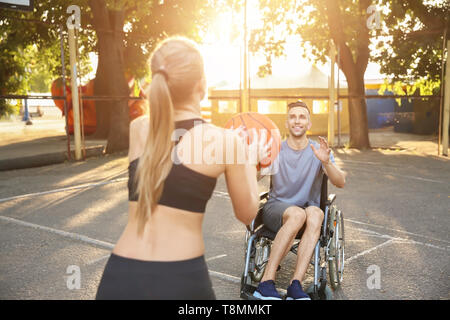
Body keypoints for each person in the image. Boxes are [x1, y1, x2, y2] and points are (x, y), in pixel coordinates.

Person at [95, 37, 270, 300]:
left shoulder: (140, 129)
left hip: (120, 275)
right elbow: (248, 214)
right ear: (201, 84)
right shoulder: (226, 141)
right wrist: (250, 160)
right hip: (179, 279)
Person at [253, 100, 347, 300]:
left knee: (316, 213)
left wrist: (326, 162)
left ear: (309, 124)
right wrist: (259, 162)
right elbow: (251, 179)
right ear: (287, 123)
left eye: (302, 116)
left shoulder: (318, 150)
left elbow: (340, 182)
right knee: (297, 214)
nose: (297, 120)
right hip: (277, 209)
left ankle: (296, 284)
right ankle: (265, 283)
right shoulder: (276, 149)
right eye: (293, 117)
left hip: (306, 212)